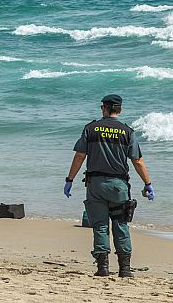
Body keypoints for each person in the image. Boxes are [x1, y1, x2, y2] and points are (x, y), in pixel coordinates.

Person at [64, 94, 154, 277]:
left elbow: (80, 156)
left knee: (100, 226)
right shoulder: (127, 131)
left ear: (103, 108)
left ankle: (103, 268)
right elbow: (137, 160)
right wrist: (148, 183)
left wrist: (69, 180)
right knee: (121, 225)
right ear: (119, 109)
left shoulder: (91, 128)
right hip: (118, 186)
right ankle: (125, 269)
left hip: (95, 185)